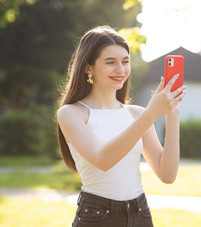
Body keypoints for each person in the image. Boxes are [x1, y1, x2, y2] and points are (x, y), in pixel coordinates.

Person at [56, 25, 186, 227]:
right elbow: (103, 159)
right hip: (97, 216)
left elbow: (167, 175)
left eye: (125, 62)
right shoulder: (72, 113)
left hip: (140, 213)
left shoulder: (137, 113)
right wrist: (151, 113)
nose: (120, 69)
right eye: (110, 62)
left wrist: (172, 115)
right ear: (88, 67)